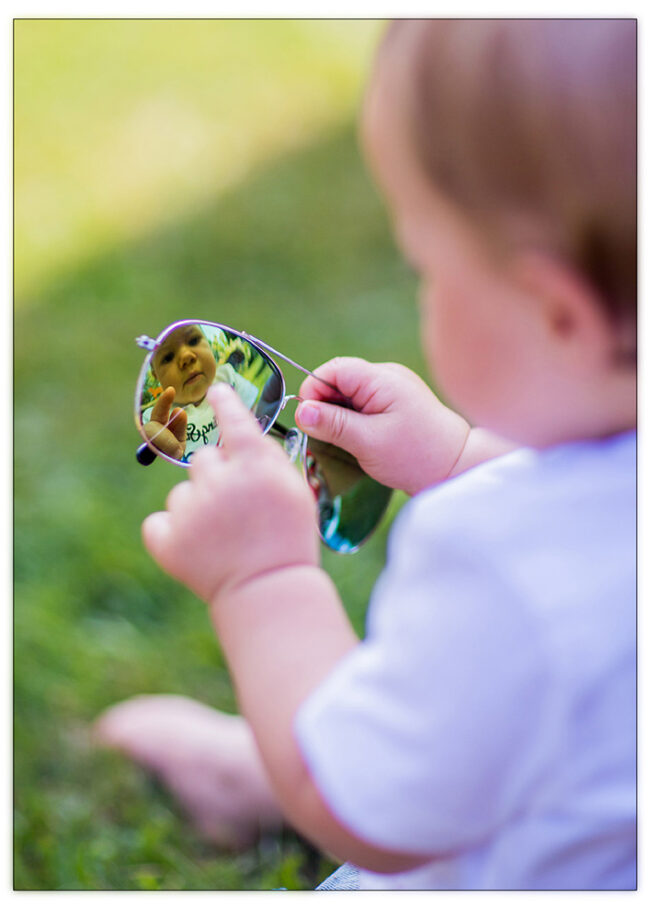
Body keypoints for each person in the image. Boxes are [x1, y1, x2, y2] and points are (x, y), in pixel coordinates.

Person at [95, 19, 636, 889]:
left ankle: (276, 757)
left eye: (426, 265)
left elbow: (355, 806)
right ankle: (281, 751)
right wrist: (461, 457)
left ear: (559, 314)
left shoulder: (500, 571)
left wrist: (262, 578)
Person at [140, 322, 260, 462]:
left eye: (193, 340)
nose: (186, 357)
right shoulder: (161, 415)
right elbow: (161, 440)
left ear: (208, 344)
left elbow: (257, 415)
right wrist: (160, 441)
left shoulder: (227, 377)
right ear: (156, 376)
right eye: (168, 357)